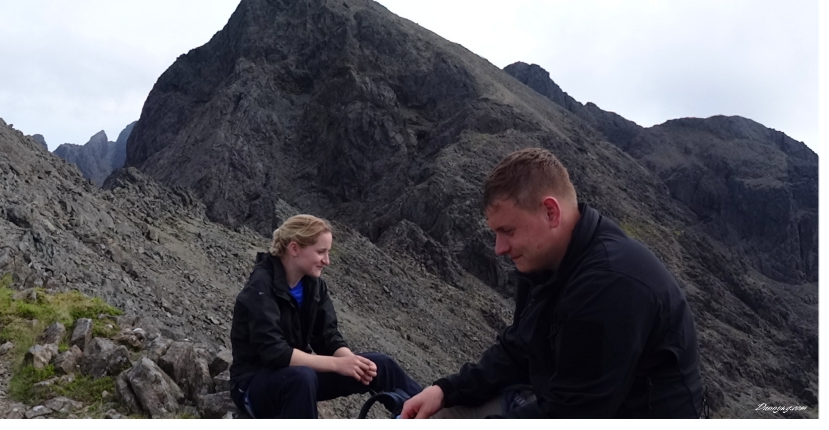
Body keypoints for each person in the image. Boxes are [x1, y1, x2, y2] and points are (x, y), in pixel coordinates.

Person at [399, 147, 704, 418]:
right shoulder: (545, 262)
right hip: (556, 400)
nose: (499, 248)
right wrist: (445, 390)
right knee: (437, 415)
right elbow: (519, 349)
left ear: (551, 212)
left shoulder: (610, 284)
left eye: (508, 231)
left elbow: (575, 413)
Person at [229, 214, 423, 418]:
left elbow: (327, 337)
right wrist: (338, 365)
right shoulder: (260, 287)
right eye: (321, 252)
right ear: (294, 249)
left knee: (379, 365)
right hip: (253, 385)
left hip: (298, 376)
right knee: (301, 377)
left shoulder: (313, 285)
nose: (327, 261)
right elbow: (274, 352)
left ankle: (428, 413)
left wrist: (353, 363)